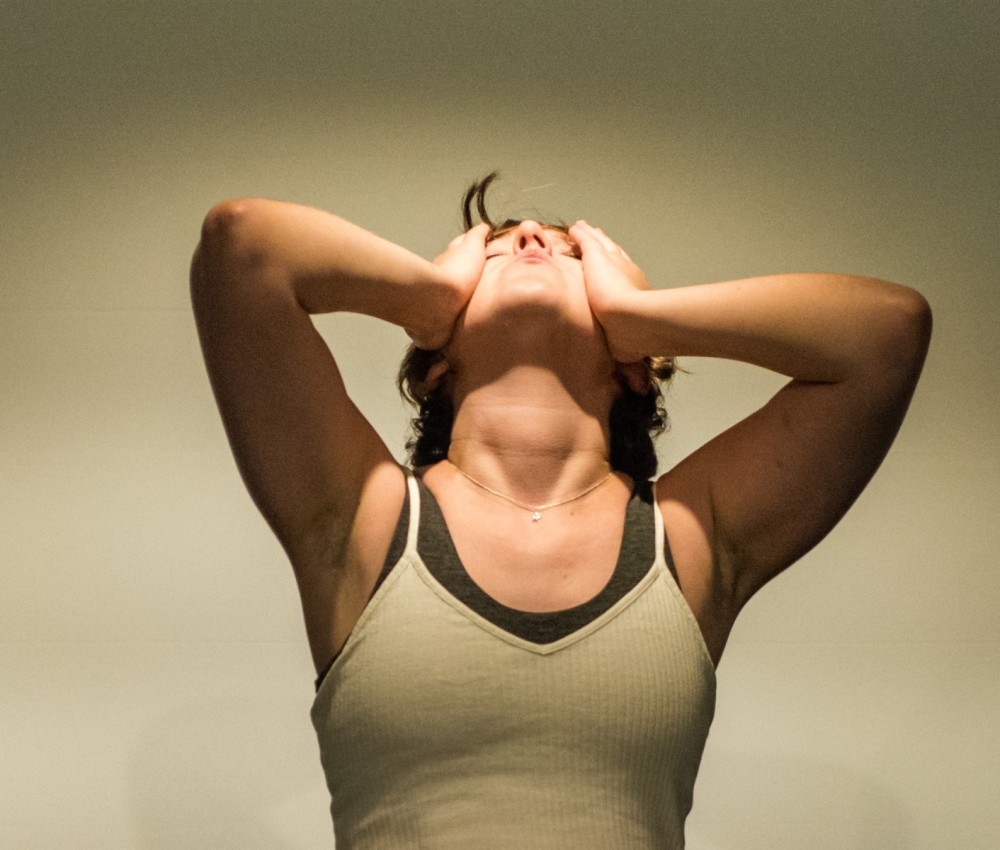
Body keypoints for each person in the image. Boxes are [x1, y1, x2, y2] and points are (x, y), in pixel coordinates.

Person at [190, 174, 931, 848]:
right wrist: (428, 302)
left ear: (640, 365)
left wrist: (640, 315)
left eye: (577, 254)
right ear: (435, 361)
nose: (536, 241)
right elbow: (244, 244)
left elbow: (887, 334)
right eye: (497, 250)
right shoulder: (362, 518)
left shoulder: (692, 536)